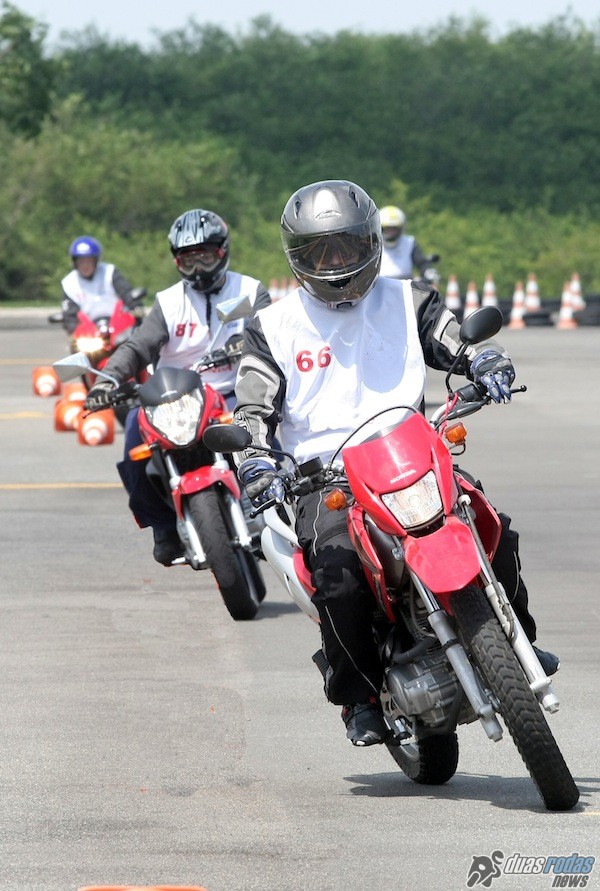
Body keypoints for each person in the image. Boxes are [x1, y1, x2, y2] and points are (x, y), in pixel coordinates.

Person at [232, 179, 559, 747]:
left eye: (348, 247)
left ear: (372, 242)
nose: (336, 263)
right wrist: (258, 460)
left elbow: (455, 339)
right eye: (320, 252)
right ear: (298, 257)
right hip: (326, 476)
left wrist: (486, 361)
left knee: (495, 532)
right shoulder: (272, 328)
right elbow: (253, 405)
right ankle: (356, 696)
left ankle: (518, 641)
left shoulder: (409, 299)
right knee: (339, 578)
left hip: (414, 454)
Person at [83, 208, 271, 565]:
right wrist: (105, 380)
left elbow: (272, 334)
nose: (197, 269)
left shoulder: (250, 290)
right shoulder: (168, 302)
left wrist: (248, 343)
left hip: (235, 392)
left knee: (273, 432)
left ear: (222, 251)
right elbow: (139, 346)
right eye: (187, 261)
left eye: (204, 257)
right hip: (176, 397)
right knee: (133, 442)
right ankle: (163, 527)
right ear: (176, 263)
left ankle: (281, 511)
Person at [60, 236, 145, 335]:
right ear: (75, 262)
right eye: (81, 261)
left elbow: (126, 293)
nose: (85, 265)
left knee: (138, 339)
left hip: (118, 327)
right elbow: (70, 314)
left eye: (89, 261)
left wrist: (135, 307)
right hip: (89, 332)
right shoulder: (69, 283)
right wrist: (73, 328)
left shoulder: (109, 272)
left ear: (96, 261)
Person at [378, 204, 439, 284]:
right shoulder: (373, 244)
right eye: (387, 229)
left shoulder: (409, 242)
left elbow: (421, 263)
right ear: (379, 228)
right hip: (378, 286)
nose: (391, 234)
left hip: (405, 287)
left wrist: (429, 271)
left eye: (394, 229)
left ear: (401, 229)